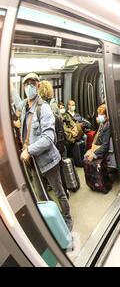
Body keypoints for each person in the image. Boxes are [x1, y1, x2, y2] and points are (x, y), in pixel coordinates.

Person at [12, 73, 73, 230]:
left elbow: (48, 138)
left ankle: (67, 219)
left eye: (32, 84)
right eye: (26, 84)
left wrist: (29, 150)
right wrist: (10, 87)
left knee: (59, 192)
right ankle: (52, 221)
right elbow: (17, 102)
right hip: (33, 163)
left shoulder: (43, 108)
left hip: (49, 161)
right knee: (41, 195)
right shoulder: (25, 106)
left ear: (38, 86)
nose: (29, 87)